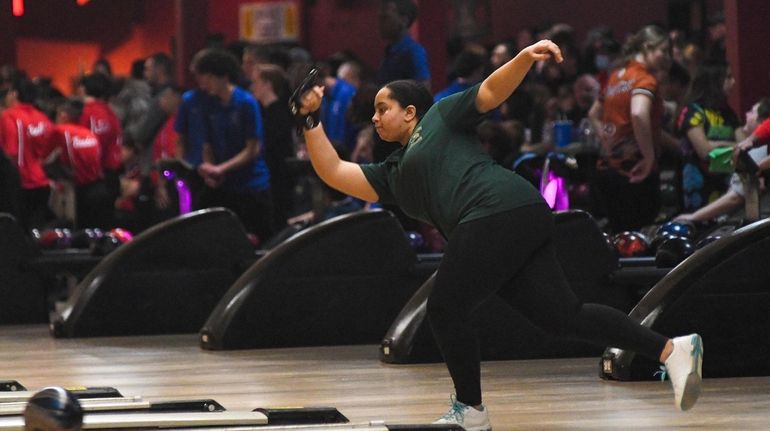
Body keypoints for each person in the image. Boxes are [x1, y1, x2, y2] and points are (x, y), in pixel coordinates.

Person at [292, 39, 704, 431]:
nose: (376, 117)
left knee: (445, 309)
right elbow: (334, 171)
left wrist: (524, 57)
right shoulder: (394, 176)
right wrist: (310, 119)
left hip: (495, 210)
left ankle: (470, 410)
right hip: (518, 216)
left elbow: (489, 91)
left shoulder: (440, 118)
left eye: (384, 108)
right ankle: (671, 350)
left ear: (411, 111)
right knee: (561, 317)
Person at [588, 25, 671, 233]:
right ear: (647, 47)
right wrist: (649, 157)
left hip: (608, 169)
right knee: (637, 239)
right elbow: (638, 113)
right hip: (635, 171)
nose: (667, 57)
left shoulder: (617, 76)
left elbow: (593, 115)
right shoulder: (644, 79)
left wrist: (606, 139)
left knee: (618, 238)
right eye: (663, 50)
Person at [192, 49, 275, 242]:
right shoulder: (208, 104)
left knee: (259, 240)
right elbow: (207, 144)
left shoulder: (246, 103)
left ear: (223, 76)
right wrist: (209, 167)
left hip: (251, 185)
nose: (205, 83)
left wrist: (220, 169)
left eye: (210, 78)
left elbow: (252, 148)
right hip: (224, 186)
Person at [675, 62, 738, 211]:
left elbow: (745, 144)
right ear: (714, 81)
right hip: (699, 189)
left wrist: (715, 145)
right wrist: (733, 145)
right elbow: (704, 151)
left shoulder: (728, 113)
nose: (733, 82)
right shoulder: (692, 111)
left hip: (726, 186)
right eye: (728, 77)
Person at [49, 98, 112, 229]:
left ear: (63, 115)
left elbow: (44, 158)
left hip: (78, 193)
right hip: (100, 188)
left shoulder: (60, 131)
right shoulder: (90, 134)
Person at [0, 77, 55, 229]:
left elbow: (9, 152)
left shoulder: (9, 116)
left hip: (20, 185)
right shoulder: (42, 117)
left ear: (14, 94)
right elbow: (53, 149)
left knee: (19, 234)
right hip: (42, 183)